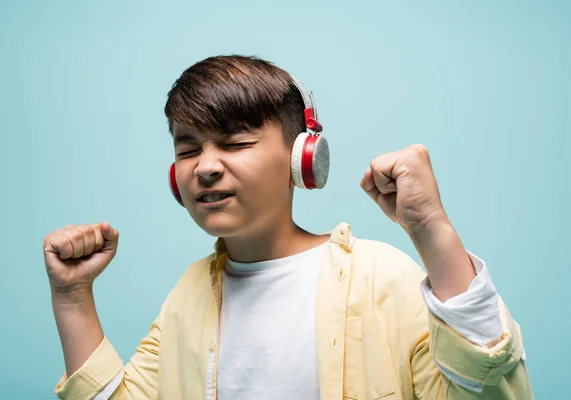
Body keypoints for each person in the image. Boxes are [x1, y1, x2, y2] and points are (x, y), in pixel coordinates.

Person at [45, 55, 533, 400]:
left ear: (304, 159)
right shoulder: (186, 297)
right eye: (188, 149)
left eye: (234, 143)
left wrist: (431, 228)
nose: (205, 167)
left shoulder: (382, 278)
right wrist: (73, 298)